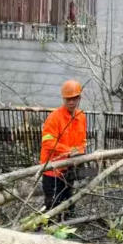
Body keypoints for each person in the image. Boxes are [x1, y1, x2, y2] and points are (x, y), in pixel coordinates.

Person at [40, 79, 87, 218]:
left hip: (69, 169)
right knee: (53, 203)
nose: (71, 102)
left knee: (68, 201)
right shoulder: (54, 117)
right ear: (63, 98)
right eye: (68, 99)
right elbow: (47, 143)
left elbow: (82, 140)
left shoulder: (81, 117)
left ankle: (68, 224)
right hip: (52, 169)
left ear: (79, 98)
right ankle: (48, 229)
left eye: (74, 98)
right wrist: (68, 151)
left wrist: (80, 155)